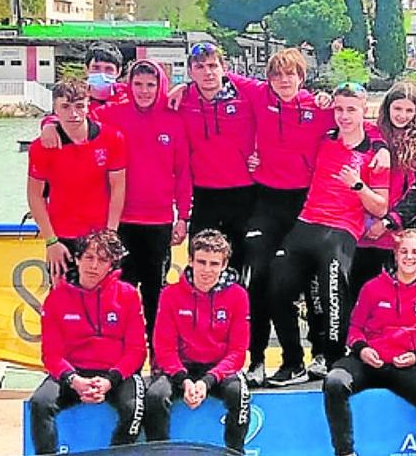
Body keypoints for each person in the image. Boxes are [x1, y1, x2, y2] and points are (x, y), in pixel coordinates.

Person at [266, 84, 391, 387]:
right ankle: (293, 362)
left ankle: (333, 360)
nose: (344, 116)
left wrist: (358, 185)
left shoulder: (375, 153)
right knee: (277, 286)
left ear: (364, 110)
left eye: (351, 109)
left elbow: (381, 206)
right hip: (307, 221)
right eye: (339, 109)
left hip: (341, 228)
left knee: (333, 291)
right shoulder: (324, 139)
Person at [239, 48, 336, 387]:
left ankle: (319, 354)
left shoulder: (318, 107)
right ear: (268, 79)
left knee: (308, 281)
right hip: (266, 202)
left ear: (301, 77)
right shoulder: (259, 96)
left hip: (305, 203)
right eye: (277, 75)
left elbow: (358, 121)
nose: (283, 81)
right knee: (258, 278)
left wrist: (380, 148)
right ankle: (257, 359)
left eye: (290, 74)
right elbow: (216, 76)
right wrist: (180, 89)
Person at [324, 229, 416, 456]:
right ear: (395, 254)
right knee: (334, 382)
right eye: (404, 252)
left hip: (405, 364)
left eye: (415, 252)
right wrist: (362, 350)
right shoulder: (373, 287)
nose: (409, 257)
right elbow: (355, 328)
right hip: (369, 360)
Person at [96, 60, 191, 346]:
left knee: (155, 293)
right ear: (129, 85)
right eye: (138, 84)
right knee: (118, 292)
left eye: (151, 85)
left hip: (159, 223)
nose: (144, 91)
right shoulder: (114, 114)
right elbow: (74, 116)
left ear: (160, 85)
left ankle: (158, 355)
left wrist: (183, 216)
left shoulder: (174, 119)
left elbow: (183, 173)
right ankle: (119, 352)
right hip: (120, 222)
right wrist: (49, 124)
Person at [29, 229, 146, 455]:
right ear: (77, 259)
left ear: (111, 265)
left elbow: (136, 350)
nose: (93, 266)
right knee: (40, 403)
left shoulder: (128, 295)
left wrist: (110, 380)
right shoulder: (56, 298)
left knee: (134, 407)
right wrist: (74, 380)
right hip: (74, 374)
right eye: (89, 257)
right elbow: (51, 354)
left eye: (102, 260)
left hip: (115, 374)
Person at [145, 230, 250, 452]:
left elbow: (238, 352)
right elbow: (164, 348)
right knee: (155, 396)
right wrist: (184, 380)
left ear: (224, 265)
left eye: (214, 264)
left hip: (217, 370)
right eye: (201, 262)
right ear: (190, 260)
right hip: (179, 369)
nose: (207, 270)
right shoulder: (170, 294)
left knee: (239, 394)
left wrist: (207, 381)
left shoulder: (238, 295)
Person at [27, 79, 127, 282]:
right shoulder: (41, 147)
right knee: (62, 296)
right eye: (65, 107)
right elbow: (35, 196)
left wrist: (110, 234)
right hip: (61, 236)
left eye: (79, 106)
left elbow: (118, 189)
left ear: (88, 106)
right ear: (55, 109)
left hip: (99, 236)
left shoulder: (112, 138)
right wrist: (51, 241)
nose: (73, 114)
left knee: (104, 295)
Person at [175, 42, 260, 275]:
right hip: (204, 194)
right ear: (190, 72)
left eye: (213, 66)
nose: (208, 72)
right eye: (200, 67)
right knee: (200, 261)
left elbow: (278, 99)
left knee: (238, 262)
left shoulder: (246, 96)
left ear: (224, 68)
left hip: (244, 192)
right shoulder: (182, 100)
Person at [351, 82, 416, 298]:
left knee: (393, 294)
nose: (402, 115)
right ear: (387, 107)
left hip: (396, 230)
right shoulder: (370, 135)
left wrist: (389, 222)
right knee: (357, 292)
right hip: (361, 226)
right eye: (397, 108)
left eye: (409, 110)